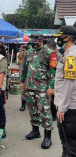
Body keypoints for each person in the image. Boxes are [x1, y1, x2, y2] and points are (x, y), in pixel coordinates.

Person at [20, 34, 56, 149]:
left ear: (40, 41)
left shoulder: (50, 53)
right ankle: (35, 131)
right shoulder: (29, 52)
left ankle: (47, 137)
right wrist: (22, 81)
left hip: (42, 88)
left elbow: (53, 71)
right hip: (30, 87)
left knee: (45, 111)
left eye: (35, 42)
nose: (33, 44)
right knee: (32, 110)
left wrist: (51, 87)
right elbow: (25, 67)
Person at [53, 25, 76, 157]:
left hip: (69, 108)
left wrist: (62, 108)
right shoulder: (67, 53)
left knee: (70, 145)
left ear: (67, 38)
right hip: (68, 105)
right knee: (67, 144)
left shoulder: (71, 55)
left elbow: (69, 83)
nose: (58, 40)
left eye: (60, 37)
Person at [45, 40, 60, 121]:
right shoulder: (54, 54)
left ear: (50, 48)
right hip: (53, 79)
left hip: (56, 80)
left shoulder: (56, 56)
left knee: (54, 98)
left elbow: (54, 70)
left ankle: (54, 115)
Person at [18, 45, 30, 111]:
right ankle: (23, 104)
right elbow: (19, 58)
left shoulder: (31, 56)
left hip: (30, 76)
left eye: (23, 50)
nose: (22, 51)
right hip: (23, 76)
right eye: (21, 50)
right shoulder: (22, 56)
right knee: (23, 90)